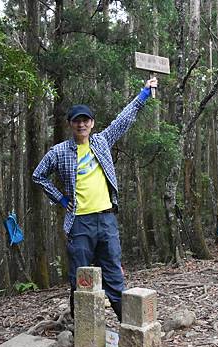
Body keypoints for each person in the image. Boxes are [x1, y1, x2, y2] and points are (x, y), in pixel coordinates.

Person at [32, 77, 158, 322]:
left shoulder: (101, 142)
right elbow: (38, 176)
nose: (81, 125)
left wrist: (144, 94)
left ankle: (129, 326)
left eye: (85, 120)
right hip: (79, 222)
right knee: (81, 277)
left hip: (106, 219)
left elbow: (124, 119)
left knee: (113, 273)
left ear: (92, 123)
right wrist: (60, 199)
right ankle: (84, 329)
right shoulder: (58, 152)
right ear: (70, 124)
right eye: (76, 120)